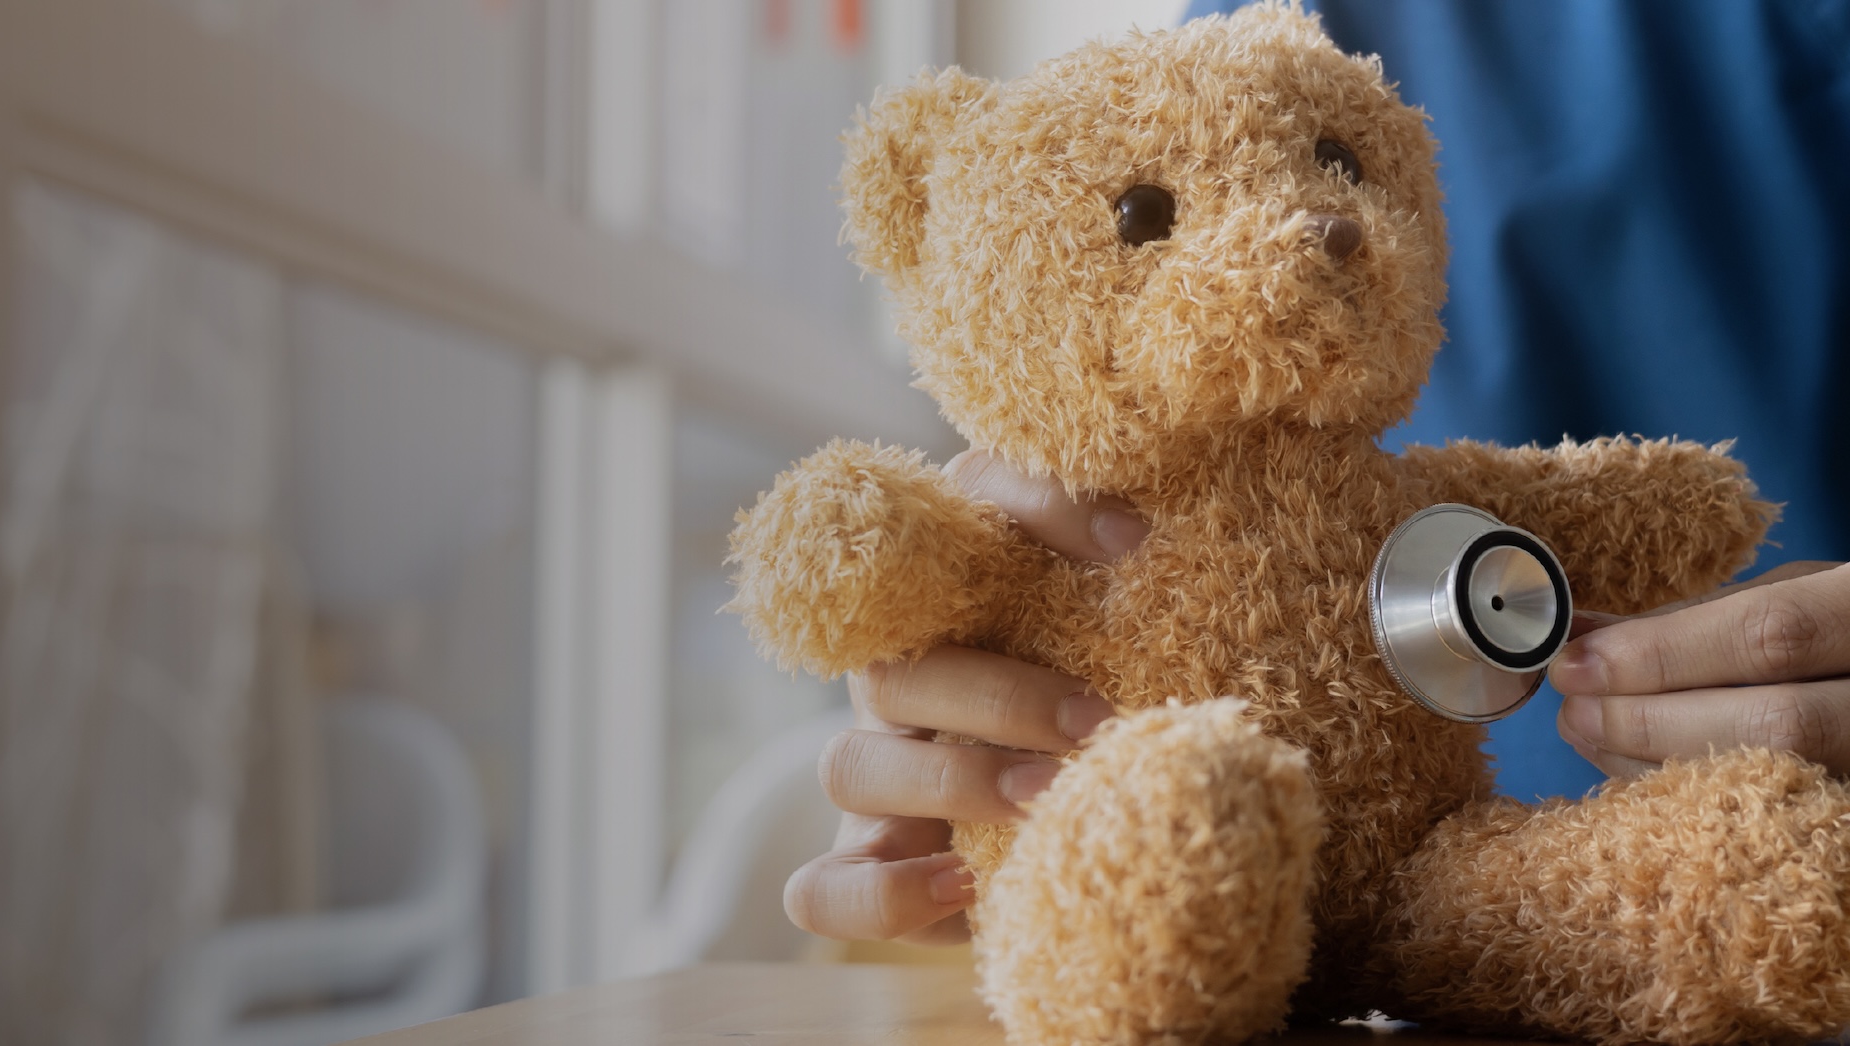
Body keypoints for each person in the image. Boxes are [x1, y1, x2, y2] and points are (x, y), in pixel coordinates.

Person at [784, 0, 1850, 945]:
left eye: (1334, 167)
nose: (1312, 226)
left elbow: (1629, 507)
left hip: (1487, 879)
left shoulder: (1305, 75)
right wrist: (972, 734)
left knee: (1752, 887)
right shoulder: (1245, 39)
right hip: (1249, 931)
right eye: (1148, 219)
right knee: (1160, 887)